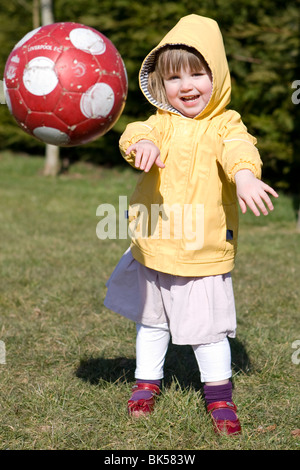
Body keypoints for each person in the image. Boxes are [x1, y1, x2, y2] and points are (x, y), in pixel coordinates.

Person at [104, 14, 278, 435]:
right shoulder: (161, 124)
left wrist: (245, 175)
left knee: (209, 332)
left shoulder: (224, 123)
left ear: (216, 75)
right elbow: (135, 131)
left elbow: (240, 148)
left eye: (198, 73)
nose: (186, 86)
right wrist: (141, 143)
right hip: (156, 246)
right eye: (174, 77)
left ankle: (219, 396)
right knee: (152, 323)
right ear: (160, 85)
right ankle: (146, 384)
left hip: (202, 251)